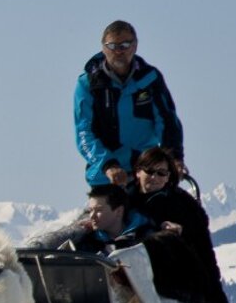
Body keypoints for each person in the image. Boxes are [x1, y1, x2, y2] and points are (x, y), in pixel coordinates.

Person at [131, 147, 234, 303]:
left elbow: (204, 255)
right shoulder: (126, 200)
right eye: (149, 171)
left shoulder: (182, 206)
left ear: (169, 176)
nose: (154, 177)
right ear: (138, 172)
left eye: (161, 173)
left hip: (177, 269)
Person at [74, 20, 184, 187]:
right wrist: (108, 165)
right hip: (105, 175)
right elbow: (84, 133)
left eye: (125, 45)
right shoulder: (88, 84)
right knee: (105, 211)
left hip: (146, 172)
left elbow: (167, 121)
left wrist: (174, 158)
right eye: (112, 46)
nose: (119, 51)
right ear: (103, 48)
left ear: (135, 46)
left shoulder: (150, 79)